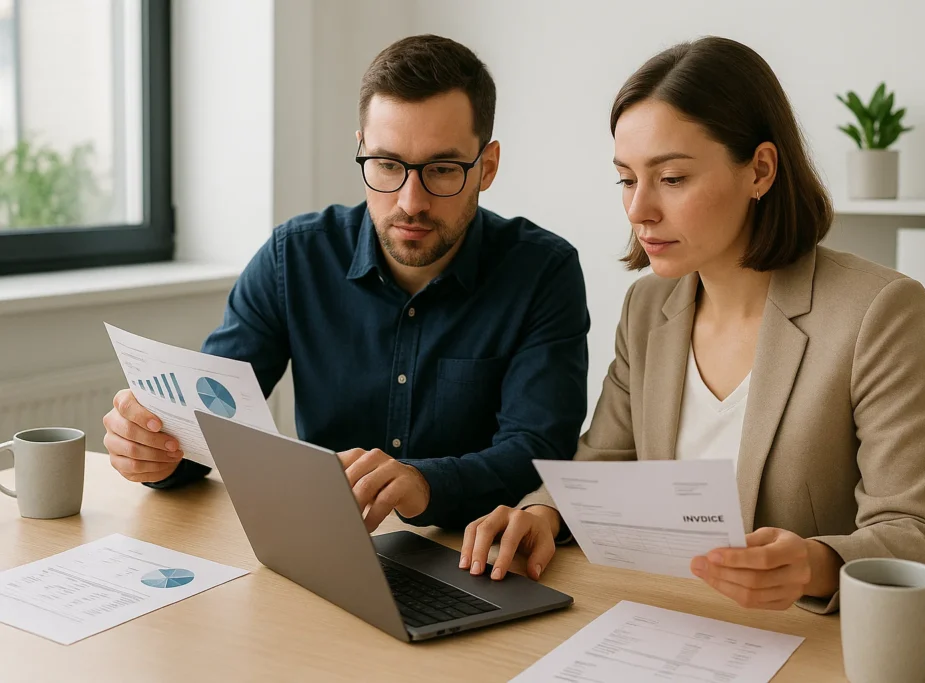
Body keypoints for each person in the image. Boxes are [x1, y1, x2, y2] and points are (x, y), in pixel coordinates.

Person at [461, 36, 925, 613]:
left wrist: (815, 565)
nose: (639, 209)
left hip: (807, 642)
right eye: (627, 178)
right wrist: (541, 514)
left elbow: (919, 538)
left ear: (761, 171)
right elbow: (603, 465)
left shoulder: (879, 312)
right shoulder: (649, 307)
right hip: (669, 621)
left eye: (671, 178)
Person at [101, 35, 590, 533]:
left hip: (474, 554)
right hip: (325, 547)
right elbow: (211, 423)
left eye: (442, 169)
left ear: (487, 166)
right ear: (361, 150)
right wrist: (155, 450)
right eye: (387, 165)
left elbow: (539, 453)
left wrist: (425, 483)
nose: (410, 201)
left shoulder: (542, 273)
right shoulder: (294, 258)